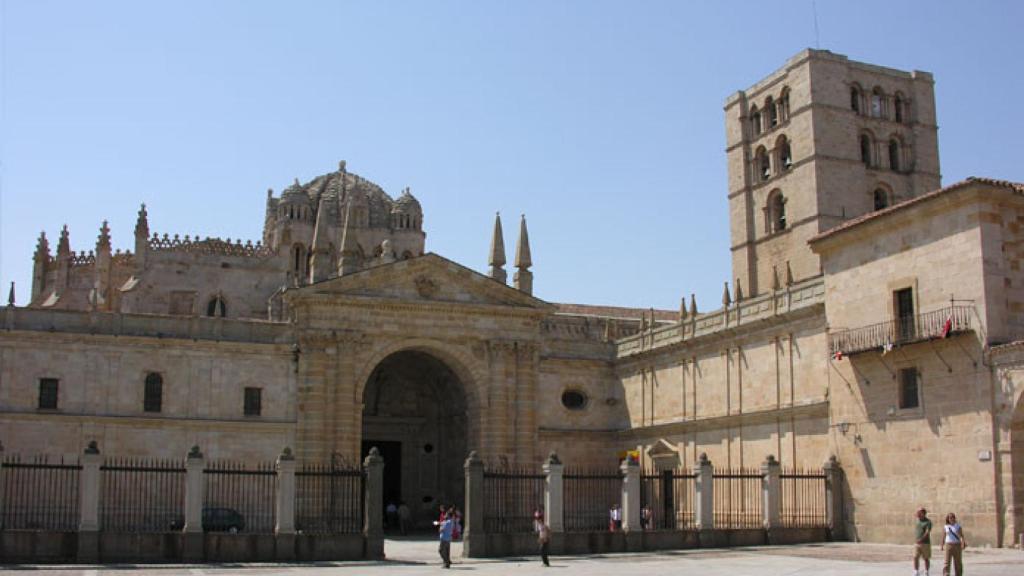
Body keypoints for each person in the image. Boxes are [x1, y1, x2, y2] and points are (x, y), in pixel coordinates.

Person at [913, 508, 933, 576]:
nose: (917, 513)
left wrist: (921, 539)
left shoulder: (928, 522)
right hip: (917, 543)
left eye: (919, 512)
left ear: (923, 513)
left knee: (926, 558)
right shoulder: (917, 521)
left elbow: (927, 532)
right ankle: (916, 571)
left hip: (925, 543)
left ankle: (926, 571)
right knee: (915, 557)